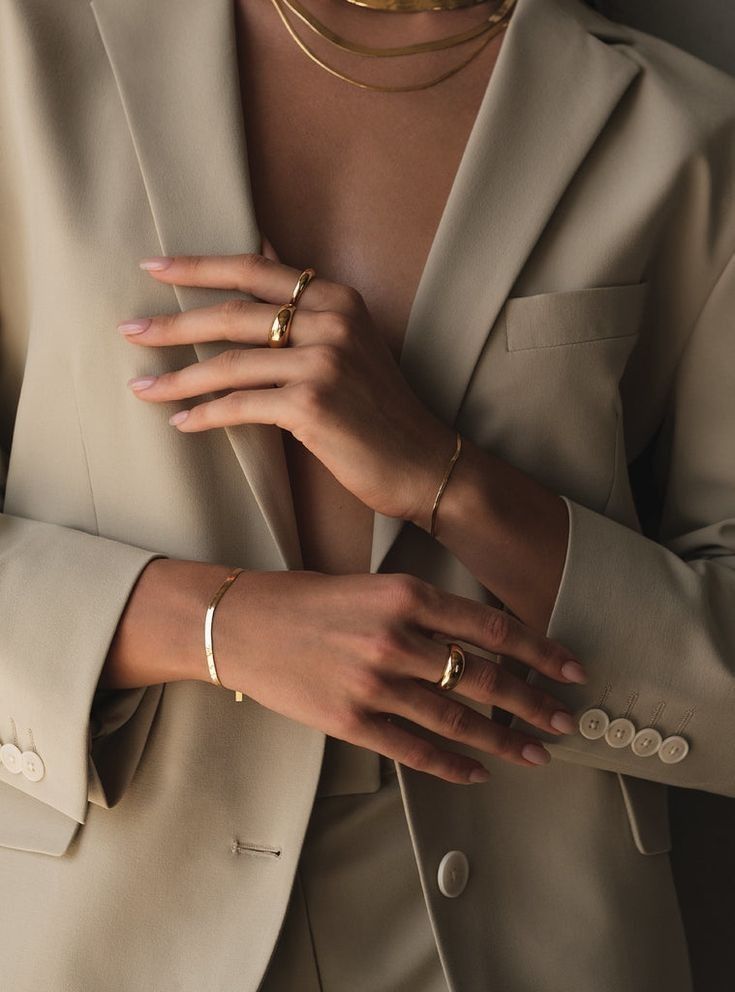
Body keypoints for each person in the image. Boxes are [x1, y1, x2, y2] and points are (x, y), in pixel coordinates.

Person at [0, 0, 733, 989]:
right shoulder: (31, 55)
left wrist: (450, 477)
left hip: (539, 942)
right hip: (113, 931)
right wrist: (222, 624)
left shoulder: (683, 135)